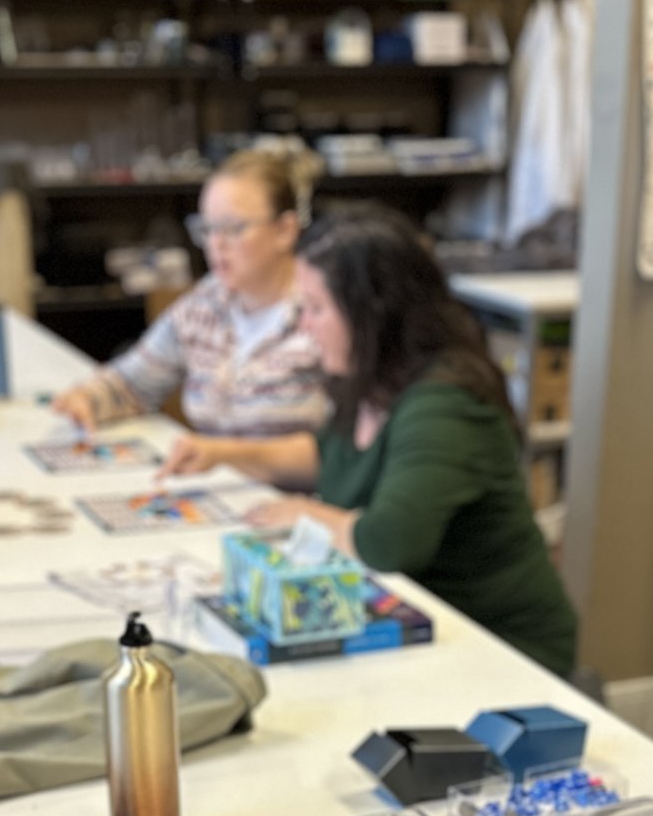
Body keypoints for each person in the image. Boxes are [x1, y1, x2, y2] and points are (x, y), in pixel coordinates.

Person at [162, 204, 580, 675]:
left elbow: (387, 543)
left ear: (371, 312)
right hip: (423, 630)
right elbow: (331, 456)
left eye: (317, 308)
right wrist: (223, 453)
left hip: (503, 649)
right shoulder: (371, 376)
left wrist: (309, 514)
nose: (304, 325)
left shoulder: (446, 403)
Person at [50, 147, 329, 439]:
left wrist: (220, 455)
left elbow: (344, 454)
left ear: (285, 230)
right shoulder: (206, 302)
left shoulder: (325, 310)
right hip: (219, 479)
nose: (216, 245)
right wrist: (87, 399)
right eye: (207, 229)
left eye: (233, 228)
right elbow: (132, 383)